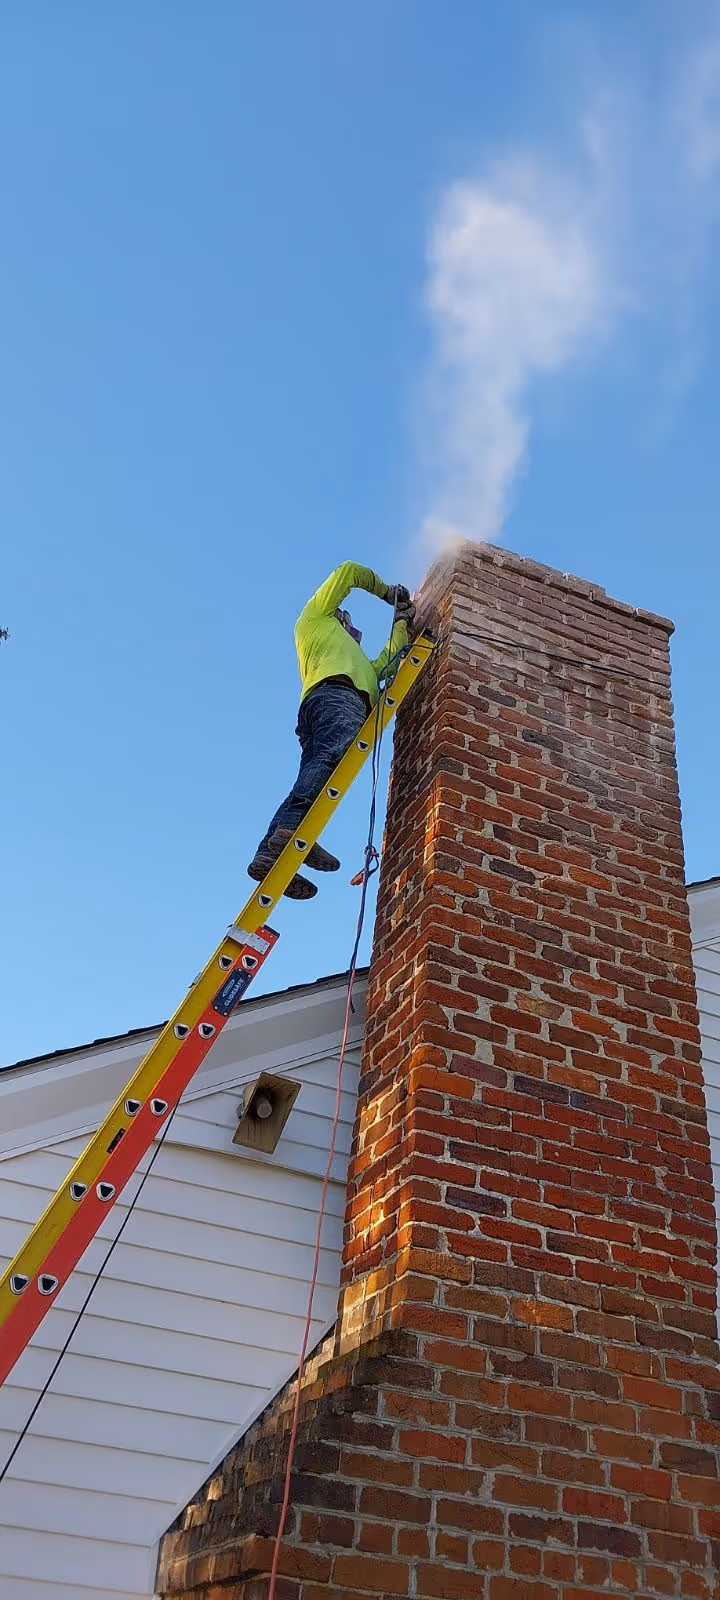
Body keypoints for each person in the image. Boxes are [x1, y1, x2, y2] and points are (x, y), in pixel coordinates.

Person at [247, 561, 415, 900]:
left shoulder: (358, 662)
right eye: (351, 625)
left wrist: (401, 622)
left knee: (316, 769)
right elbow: (349, 571)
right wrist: (387, 592)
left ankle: (270, 852)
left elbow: (387, 662)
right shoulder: (315, 619)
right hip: (335, 696)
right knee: (332, 759)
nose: (355, 633)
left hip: (332, 702)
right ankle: (295, 832)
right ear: (340, 616)